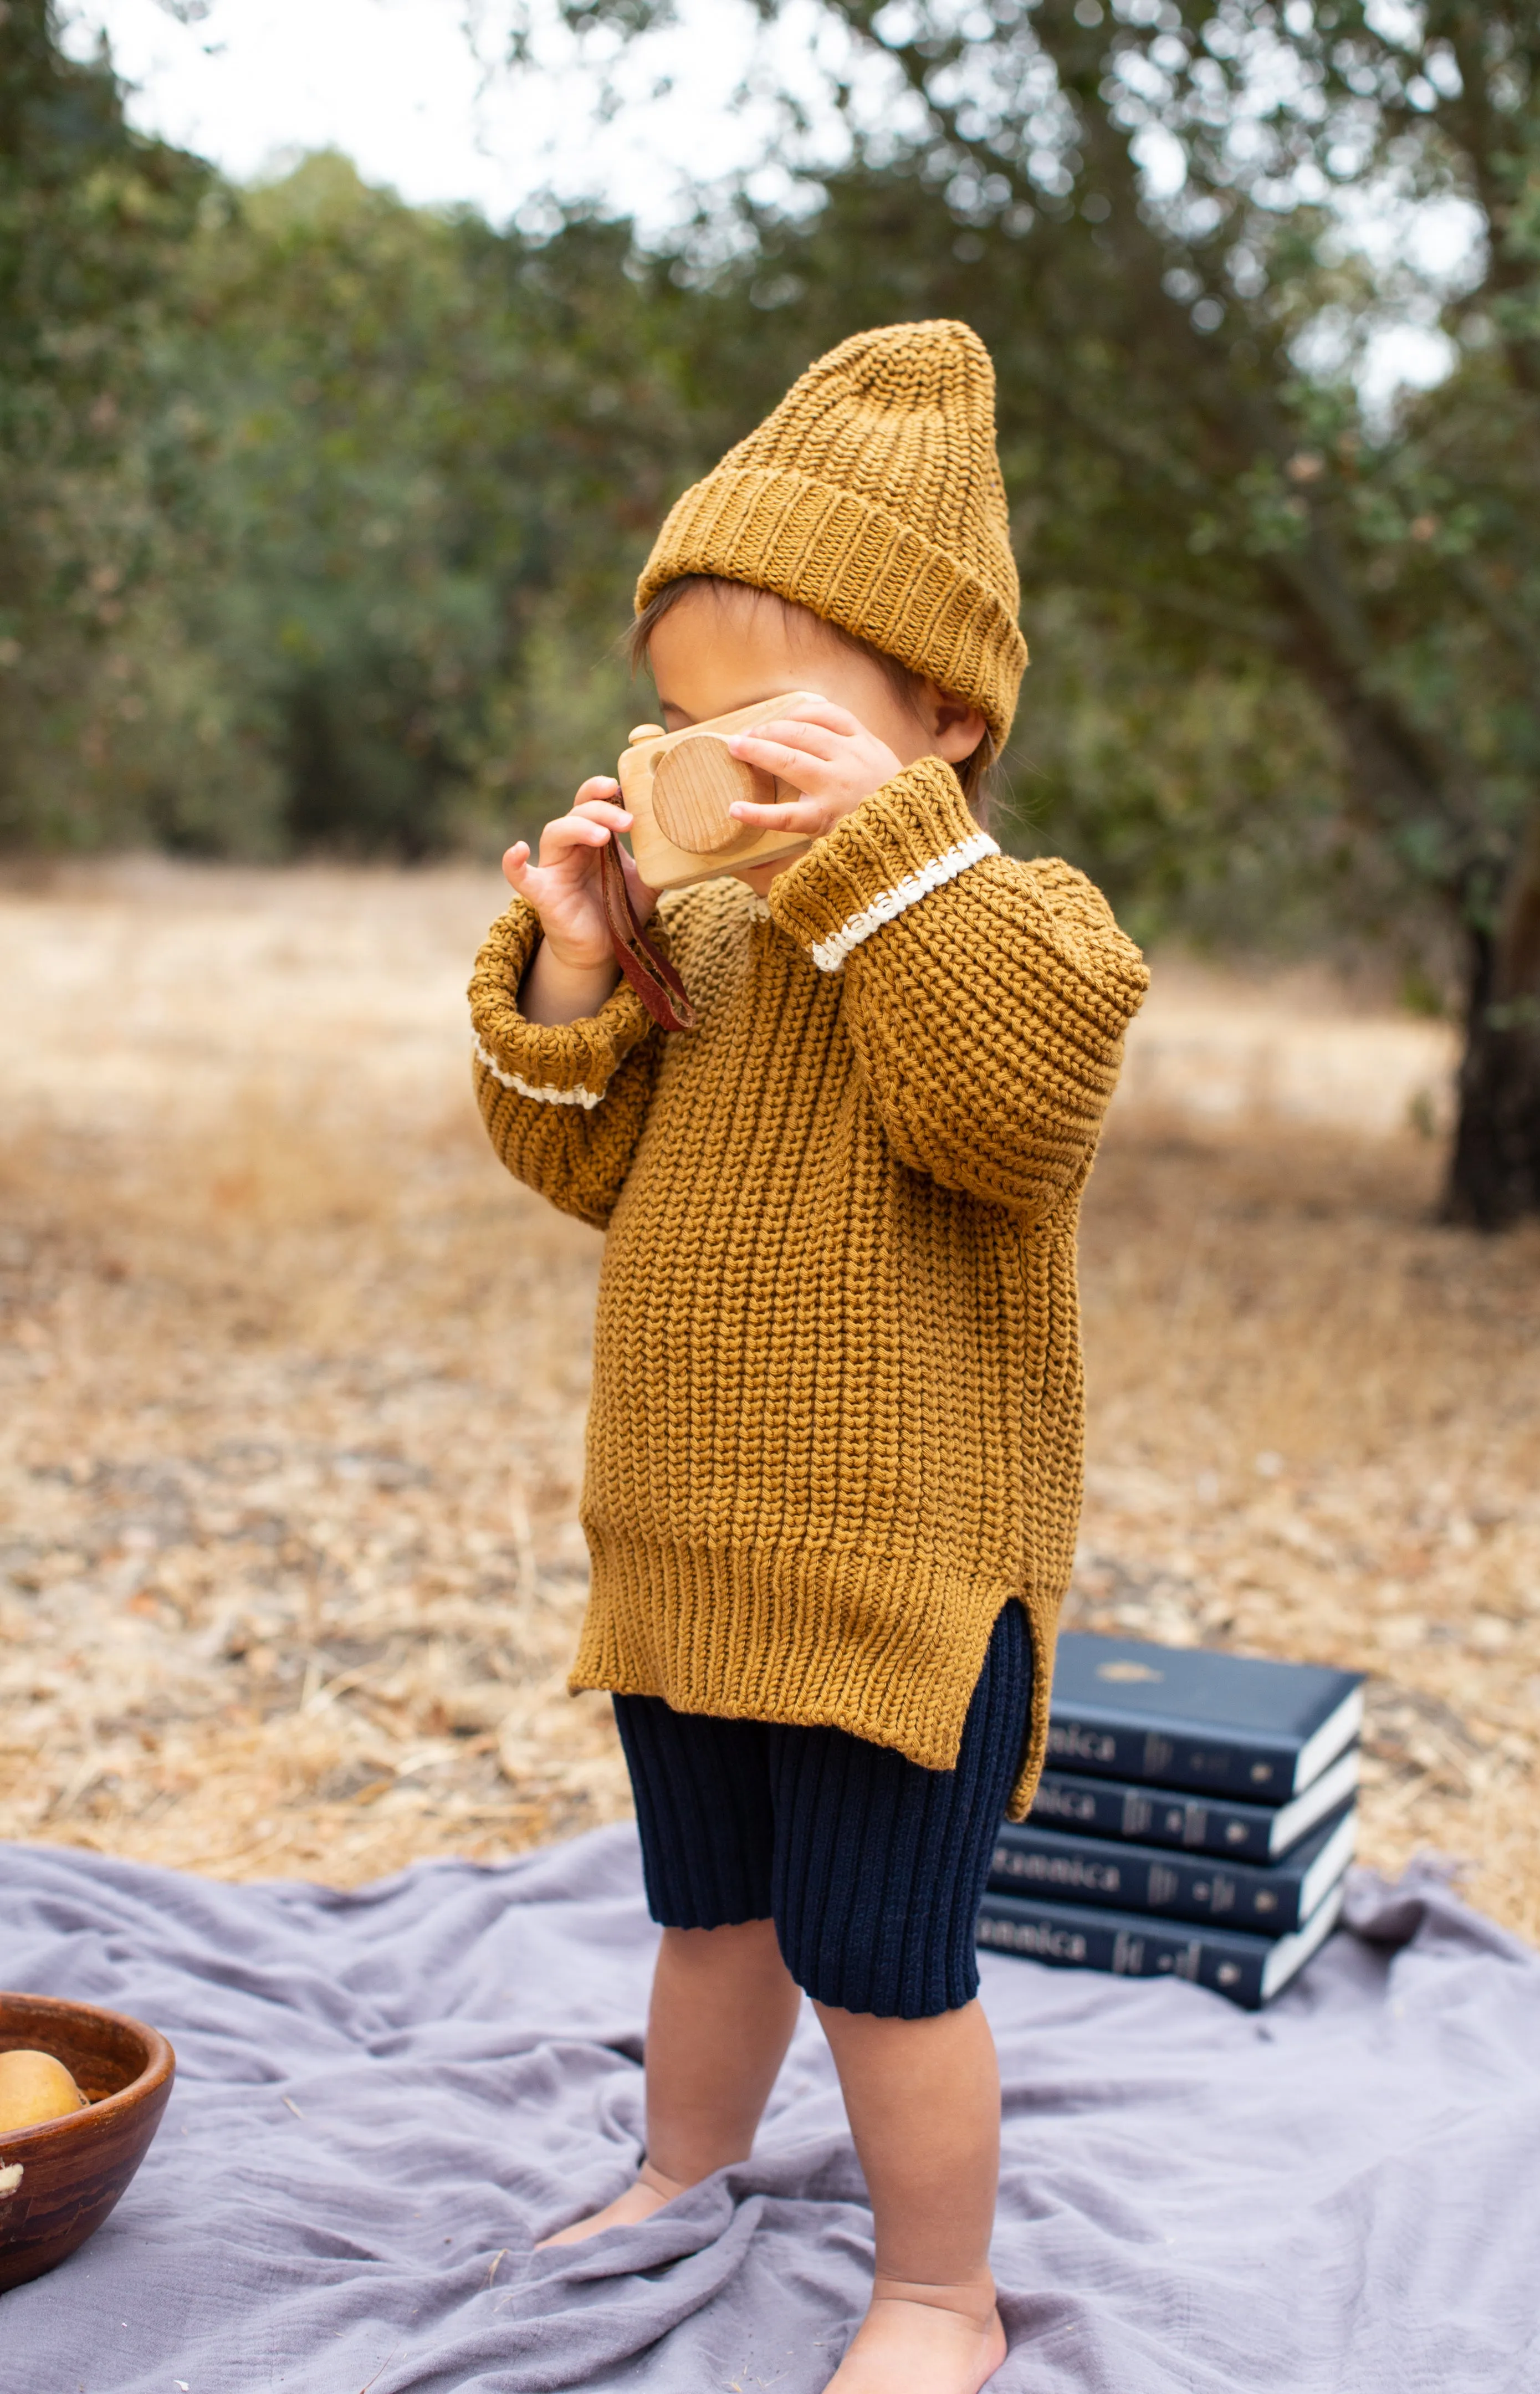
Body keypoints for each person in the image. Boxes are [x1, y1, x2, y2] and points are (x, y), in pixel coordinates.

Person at [468, 319, 1149, 2394]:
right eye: (669, 721)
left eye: (754, 716)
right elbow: (576, 1166)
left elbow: (1008, 1113)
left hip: (900, 1577)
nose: (698, 759)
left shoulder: (1014, 925)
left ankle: (940, 2289)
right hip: (691, 1539)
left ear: (939, 716)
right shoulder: (726, 943)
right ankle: (687, 2161)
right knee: (711, 1905)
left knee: (883, 1953)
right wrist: (586, 958)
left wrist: (885, 866)